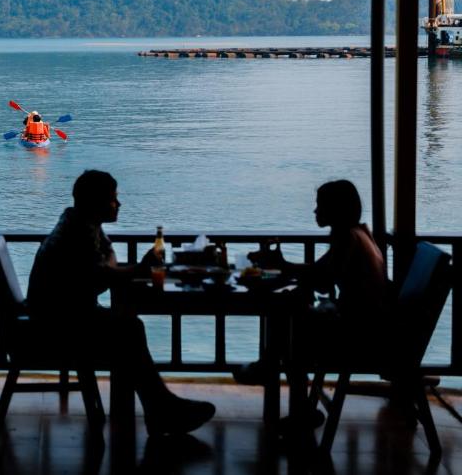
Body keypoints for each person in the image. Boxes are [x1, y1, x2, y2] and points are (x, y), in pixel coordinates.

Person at [26, 169, 216, 436]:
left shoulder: (81, 224)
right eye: (113, 198)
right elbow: (103, 274)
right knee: (128, 330)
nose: (118, 204)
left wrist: (127, 268)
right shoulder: (80, 233)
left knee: (128, 328)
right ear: (96, 202)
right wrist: (139, 269)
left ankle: (159, 408)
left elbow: (104, 268)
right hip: (55, 327)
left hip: (56, 317)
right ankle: (160, 408)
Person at [233, 179, 390, 426]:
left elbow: (322, 281)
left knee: (288, 321)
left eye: (320, 205)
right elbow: (322, 275)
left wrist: (283, 268)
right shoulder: (360, 233)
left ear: (335, 209)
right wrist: (285, 267)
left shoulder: (347, 238)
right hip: (371, 327)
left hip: (358, 335)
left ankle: (276, 376)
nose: (315, 211)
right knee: (292, 304)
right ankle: (277, 376)